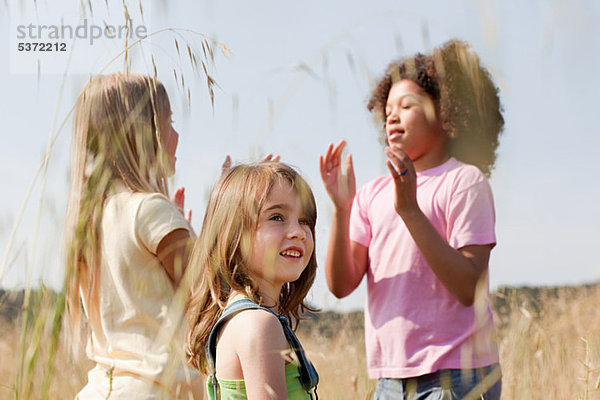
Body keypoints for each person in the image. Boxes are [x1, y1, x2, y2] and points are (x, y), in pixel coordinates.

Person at [319, 39, 504, 399]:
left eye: (407, 105)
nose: (392, 115)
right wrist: (342, 210)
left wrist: (410, 211)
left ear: (446, 113)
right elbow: (341, 285)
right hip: (390, 381)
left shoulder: (464, 181)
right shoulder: (372, 194)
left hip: (456, 374)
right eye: (387, 109)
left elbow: (469, 286)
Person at [64, 72, 203, 399]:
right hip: (158, 391)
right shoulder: (151, 210)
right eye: (168, 122)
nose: (176, 134)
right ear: (142, 135)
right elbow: (209, 295)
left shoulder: (89, 219)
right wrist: (220, 224)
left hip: (102, 389)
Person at [186, 162, 319, 400]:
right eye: (277, 217)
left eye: (304, 220)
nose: (297, 232)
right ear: (233, 233)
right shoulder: (259, 324)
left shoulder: (240, 318)